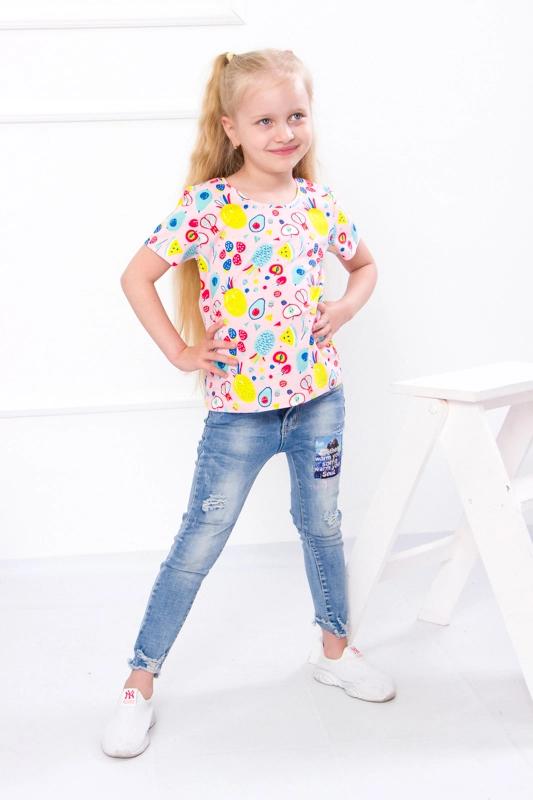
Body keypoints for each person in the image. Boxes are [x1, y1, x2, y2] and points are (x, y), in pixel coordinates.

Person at [101, 47, 395, 759]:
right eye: (265, 121)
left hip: (318, 402)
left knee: (322, 527)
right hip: (239, 413)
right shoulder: (208, 206)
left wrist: (342, 310)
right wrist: (180, 352)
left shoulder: (318, 203)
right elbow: (136, 276)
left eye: (296, 115)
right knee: (200, 540)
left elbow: (363, 266)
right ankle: (139, 682)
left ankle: (334, 649)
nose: (284, 132)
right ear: (231, 127)